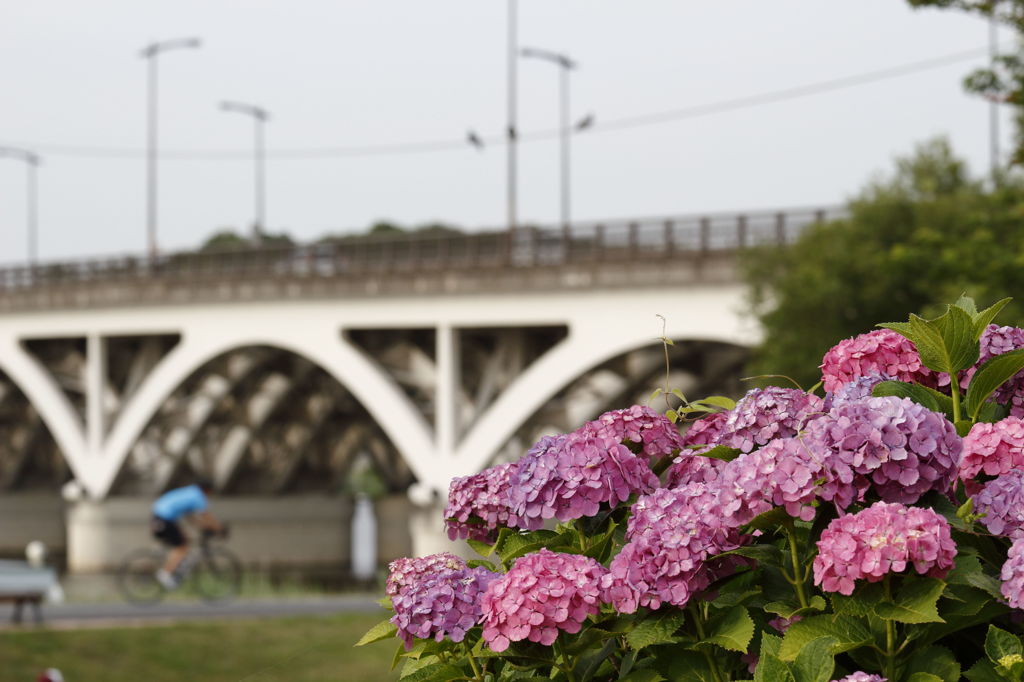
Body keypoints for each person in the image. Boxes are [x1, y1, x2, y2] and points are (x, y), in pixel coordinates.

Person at [151, 478, 223, 589]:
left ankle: (178, 567)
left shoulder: (190, 493)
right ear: (207, 490)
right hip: (163, 518)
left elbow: (191, 517)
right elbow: (205, 515)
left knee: (186, 539)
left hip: (161, 517)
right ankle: (165, 573)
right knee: (181, 547)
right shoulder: (198, 496)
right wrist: (219, 528)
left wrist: (203, 526)